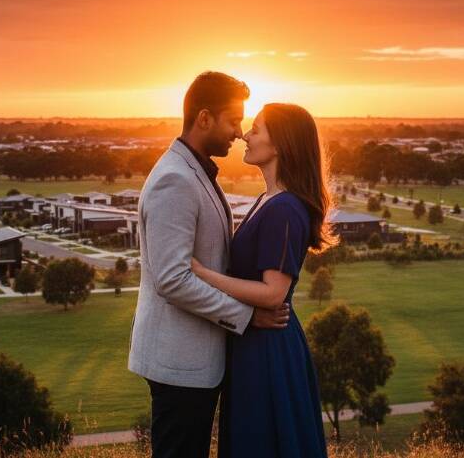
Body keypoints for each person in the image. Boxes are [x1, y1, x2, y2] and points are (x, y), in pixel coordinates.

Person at [128, 72, 290, 458]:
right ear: (204, 118)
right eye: (232, 120)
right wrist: (248, 316)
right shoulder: (175, 180)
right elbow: (173, 279)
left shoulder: (195, 171)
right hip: (179, 362)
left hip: (196, 361)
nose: (238, 132)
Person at [191, 103, 334, 458]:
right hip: (252, 341)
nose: (245, 135)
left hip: (269, 349)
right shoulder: (267, 200)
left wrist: (202, 274)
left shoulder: (285, 209)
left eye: (256, 129)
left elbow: (273, 293)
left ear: (281, 143)